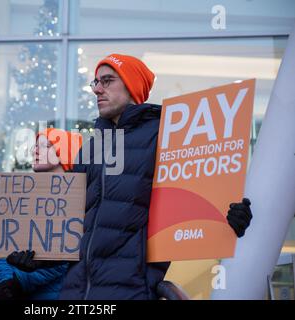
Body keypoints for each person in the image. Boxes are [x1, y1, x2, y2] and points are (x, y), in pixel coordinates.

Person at [59, 54, 253, 300]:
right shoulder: (91, 147)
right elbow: (67, 221)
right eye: (95, 82)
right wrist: (32, 258)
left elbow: (198, 194)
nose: (97, 89)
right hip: (73, 294)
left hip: (131, 291)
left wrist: (231, 219)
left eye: (107, 81)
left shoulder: (166, 136)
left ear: (132, 86)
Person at [0, 128, 82, 300]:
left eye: (46, 145)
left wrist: (19, 281)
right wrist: (5, 281)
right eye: (36, 146)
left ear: (64, 153)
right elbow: (1, 242)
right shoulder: (21, 196)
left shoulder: (78, 198)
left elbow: (65, 257)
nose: (35, 150)